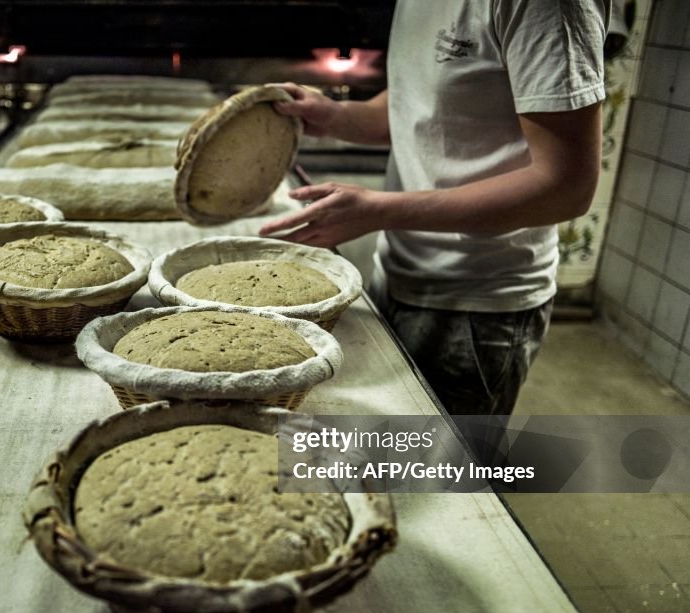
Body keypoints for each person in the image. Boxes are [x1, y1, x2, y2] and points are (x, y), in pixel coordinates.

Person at [260, 0, 608, 420]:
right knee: (384, 463)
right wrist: (336, 116)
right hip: (396, 277)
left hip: (475, 307)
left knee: (435, 478)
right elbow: (425, 102)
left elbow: (566, 186)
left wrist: (381, 211)